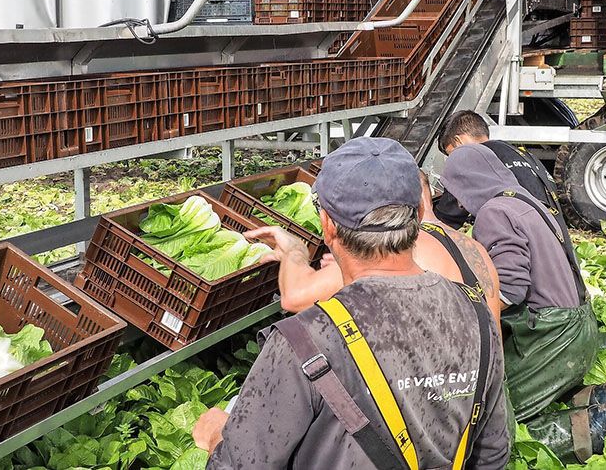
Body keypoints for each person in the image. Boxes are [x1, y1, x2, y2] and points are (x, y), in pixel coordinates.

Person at [192, 137, 510, 469]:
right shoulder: (477, 315)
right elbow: (491, 455)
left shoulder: (304, 340)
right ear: (418, 213)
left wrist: (218, 436)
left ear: (327, 225)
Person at [439, 144, 606, 463]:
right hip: (581, 327)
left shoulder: (493, 213)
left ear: (468, 182)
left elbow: (510, 289)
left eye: (457, 190)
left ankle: (600, 427)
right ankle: (602, 397)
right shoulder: (524, 200)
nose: (458, 201)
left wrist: (462, 322)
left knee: (488, 419)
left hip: (554, 338)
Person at [275, 168, 503, 328]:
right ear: (427, 198)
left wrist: (293, 250)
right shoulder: (473, 248)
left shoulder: (396, 249)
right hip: (483, 388)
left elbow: (295, 297)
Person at [433, 110, 567, 238]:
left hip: (521, 240)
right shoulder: (522, 154)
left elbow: (447, 217)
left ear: (458, 141)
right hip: (555, 238)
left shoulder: (471, 158)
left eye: (451, 154)